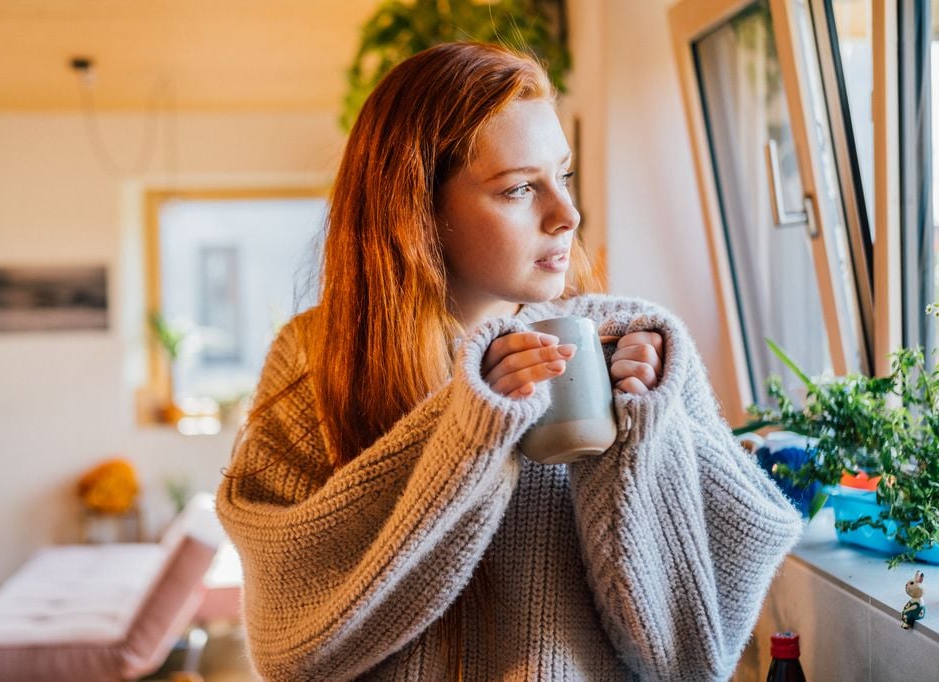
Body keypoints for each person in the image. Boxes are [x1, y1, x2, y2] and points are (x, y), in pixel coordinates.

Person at [217, 42, 802, 681]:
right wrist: (469, 434)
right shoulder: (319, 357)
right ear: (419, 211)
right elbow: (287, 644)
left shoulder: (625, 346)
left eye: (564, 175)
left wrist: (648, 432)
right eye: (520, 188)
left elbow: (698, 657)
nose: (567, 214)